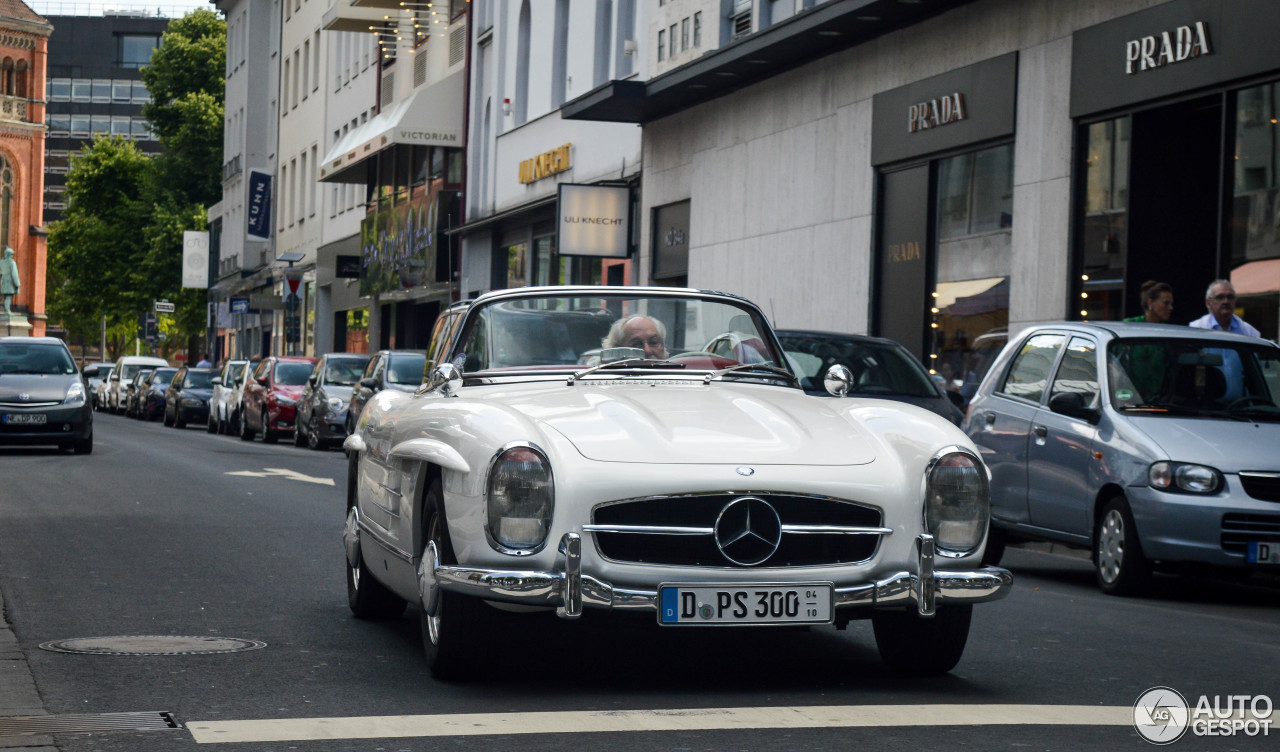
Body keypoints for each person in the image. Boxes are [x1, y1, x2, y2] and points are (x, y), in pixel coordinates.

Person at [1189, 280, 1261, 337]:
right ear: (1208, 303)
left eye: (1230, 297)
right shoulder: (1195, 329)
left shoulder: (1249, 332)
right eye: (1220, 297)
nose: (1226, 301)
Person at [602, 314, 668, 360]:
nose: (647, 351)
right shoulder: (601, 377)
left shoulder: (676, 374)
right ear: (616, 350)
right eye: (636, 345)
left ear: (663, 347)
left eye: (653, 342)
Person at [0, 247, 19, 317]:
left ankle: (6, 310)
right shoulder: (12, 262)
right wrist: (17, 284)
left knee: (5, 296)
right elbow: (14, 274)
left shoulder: (1, 262)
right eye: (11, 254)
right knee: (8, 296)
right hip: (10, 281)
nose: (12, 256)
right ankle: (7, 310)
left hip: (3, 281)